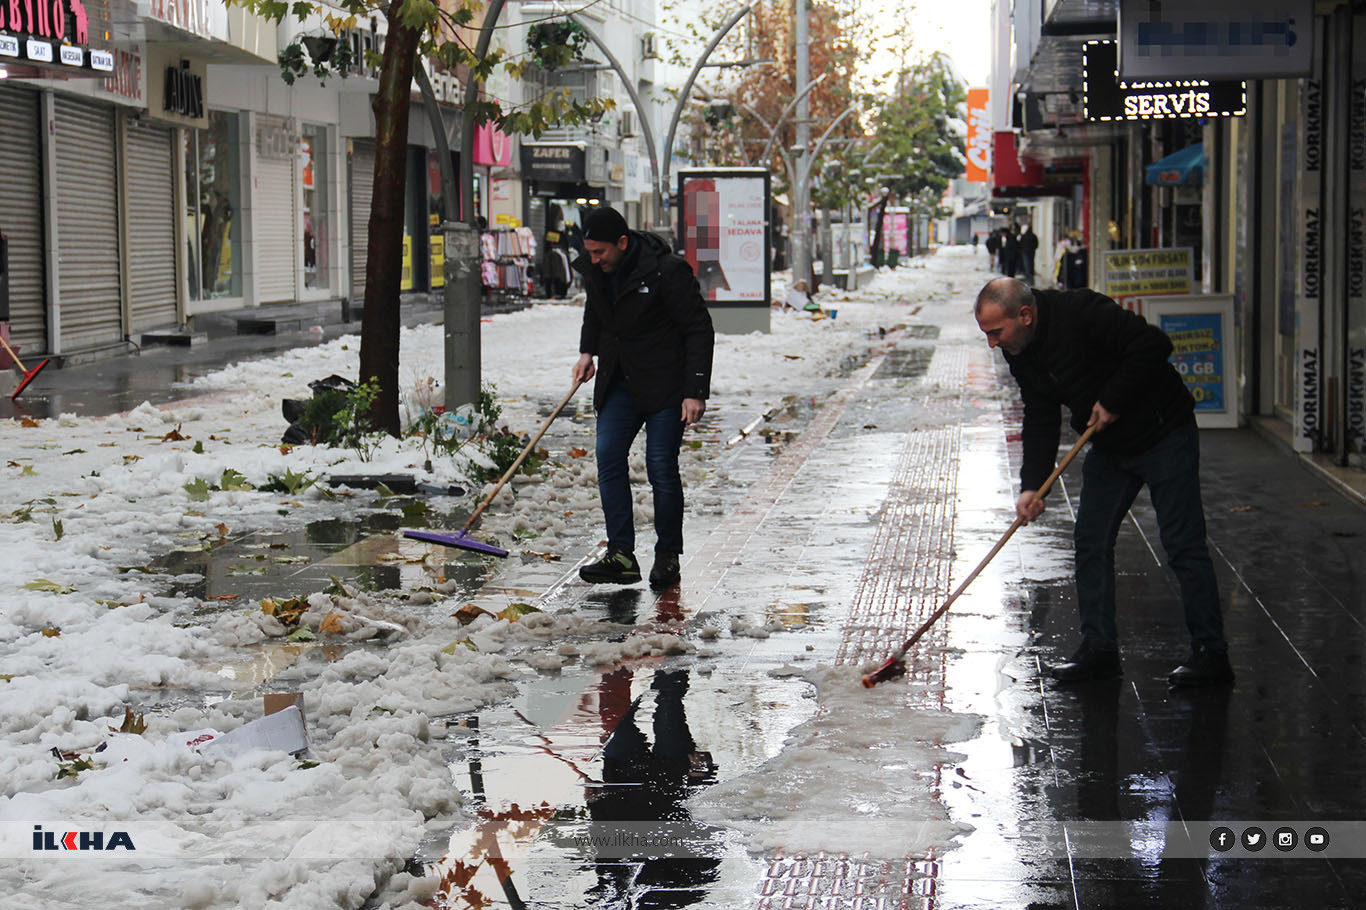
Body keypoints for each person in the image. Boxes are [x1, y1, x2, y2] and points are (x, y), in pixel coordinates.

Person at [973, 277, 1233, 687]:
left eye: (995, 332)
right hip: (1109, 447)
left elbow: (1153, 346)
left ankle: (1211, 653)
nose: (992, 343)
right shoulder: (1018, 349)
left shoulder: (1081, 310)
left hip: (1164, 432)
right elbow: (1040, 414)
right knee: (1090, 540)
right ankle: (1099, 652)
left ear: (1024, 315)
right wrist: (1031, 485)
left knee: (1183, 543)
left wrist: (1112, 398)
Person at [572, 206, 714, 589]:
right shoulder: (597, 270)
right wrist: (588, 352)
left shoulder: (666, 271)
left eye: (601, 252)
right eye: (590, 252)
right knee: (608, 457)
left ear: (622, 242)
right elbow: (596, 312)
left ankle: (667, 556)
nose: (594, 259)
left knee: (660, 467)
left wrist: (695, 391)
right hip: (619, 379)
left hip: (665, 384)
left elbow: (699, 328)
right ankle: (621, 554)